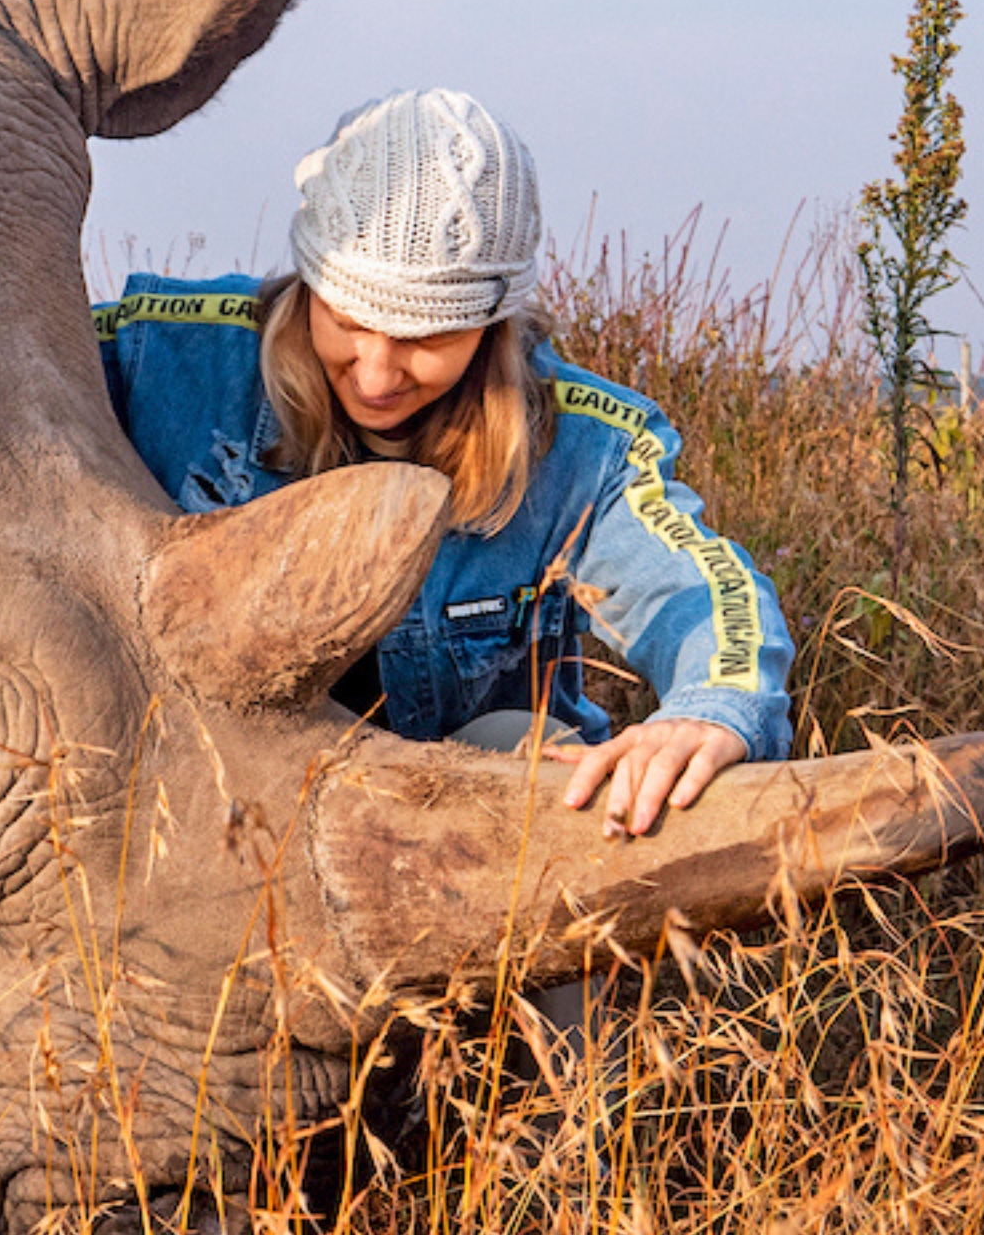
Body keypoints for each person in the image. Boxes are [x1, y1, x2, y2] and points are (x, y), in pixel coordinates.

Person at [95, 87, 794, 836]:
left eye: (426, 340)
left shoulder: (587, 447)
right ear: (307, 283)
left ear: (493, 326)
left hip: (447, 822)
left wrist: (708, 714)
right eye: (349, 321)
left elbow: (696, 593)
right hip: (185, 809)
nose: (375, 374)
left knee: (565, 774)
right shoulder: (152, 354)